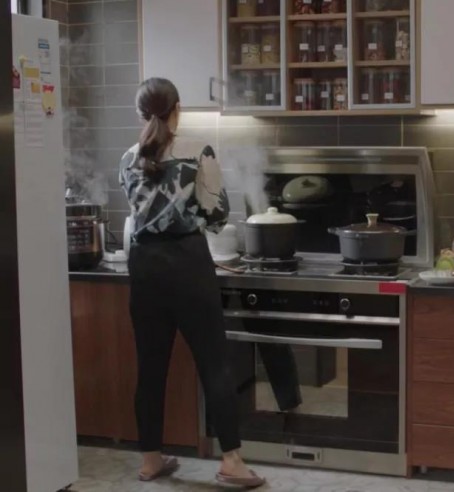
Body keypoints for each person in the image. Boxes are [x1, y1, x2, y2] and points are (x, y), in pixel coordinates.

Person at [120, 77, 266, 488]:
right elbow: (217, 216)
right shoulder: (198, 151)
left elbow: (137, 212)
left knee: (150, 367)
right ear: (177, 110)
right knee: (214, 364)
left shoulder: (127, 158)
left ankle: (150, 460)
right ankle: (231, 462)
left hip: (144, 269)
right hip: (187, 266)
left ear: (140, 113)